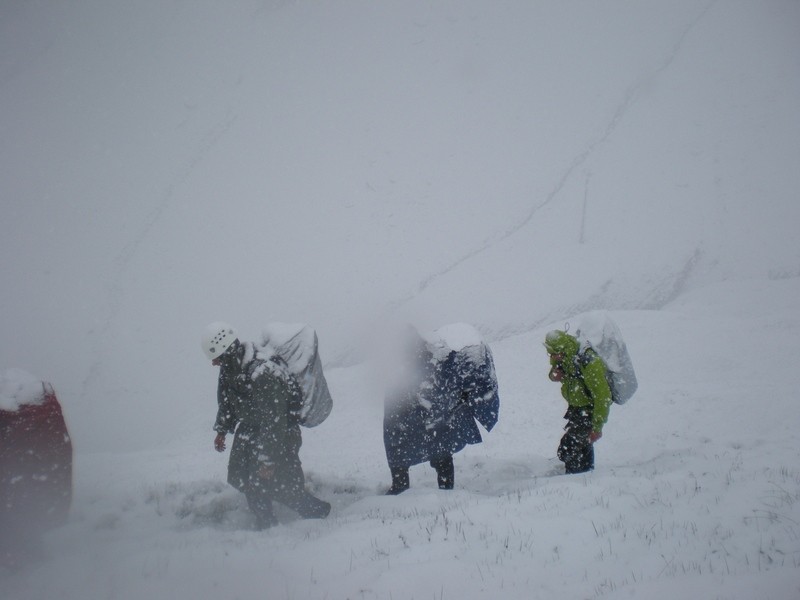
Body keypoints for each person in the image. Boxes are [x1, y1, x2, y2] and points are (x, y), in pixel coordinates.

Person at [202, 322, 330, 529]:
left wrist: (268, 460)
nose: (214, 363)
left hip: (280, 435)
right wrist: (222, 431)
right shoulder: (230, 368)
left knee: (285, 487)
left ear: (225, 351)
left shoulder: (262, 373)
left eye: (215, 357)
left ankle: (319, 515)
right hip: (250, 431)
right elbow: (227, 401)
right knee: (245, 479)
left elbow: (275, 421)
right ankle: (266, 522)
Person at [383, 324, 499, 495]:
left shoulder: (427, 356)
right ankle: (442, 487)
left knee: (410, 448)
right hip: (422, 413)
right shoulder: (430, 355)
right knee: (437, 448)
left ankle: (403, 486)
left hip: (417, 412)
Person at [544, 329, 613, 474]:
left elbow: (603, 396)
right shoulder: (564, 356)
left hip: (589, 411)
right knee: (582, 447)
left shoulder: (589, 362)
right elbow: (554, 370)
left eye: (553, 353)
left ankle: (576, 479)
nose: (552, 357)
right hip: (576, 409)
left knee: (567, 450)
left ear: (561, 349)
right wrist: (553, 375)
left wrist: (597, 427)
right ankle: (586, 477)